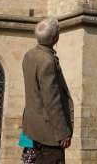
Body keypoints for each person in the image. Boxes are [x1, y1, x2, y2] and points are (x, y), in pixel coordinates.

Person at [22, 17, 74, 164]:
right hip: (48, 134)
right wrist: (62, 133)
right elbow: (52, 101)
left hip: (30, 129)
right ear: (56, 37)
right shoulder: (47, 61)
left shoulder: (29, 55)